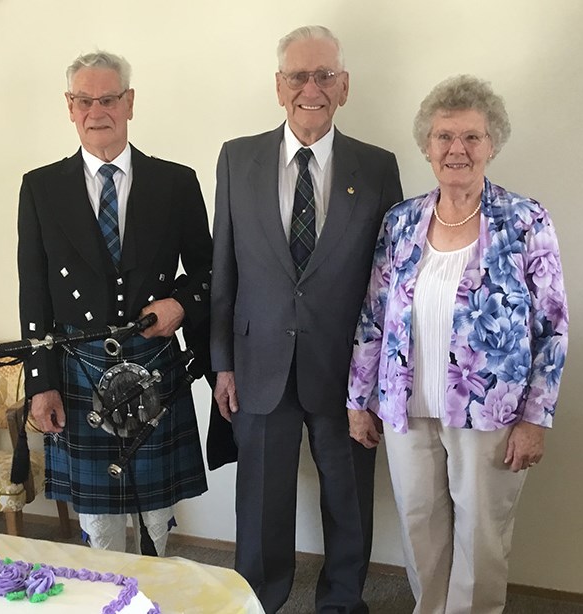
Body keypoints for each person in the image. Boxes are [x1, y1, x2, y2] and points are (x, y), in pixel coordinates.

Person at [347, 74, 569, 613]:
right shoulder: (400, 222)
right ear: (427, 146)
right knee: (419, 529)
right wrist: (358, 399)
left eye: (472, 137)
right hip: (406, 407)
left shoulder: (524, 219)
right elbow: (374, 313)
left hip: (491, 411)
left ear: (492, 144)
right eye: (445, 136)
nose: (457, 149)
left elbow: (553, 324)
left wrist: (536, 417)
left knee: (482, 535)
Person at [210, 25, 403, 614]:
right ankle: (257, 602)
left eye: (324, 76)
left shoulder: (376, 167)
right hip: (258, 362)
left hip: (345, 372)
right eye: (298, 75)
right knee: (261, 504)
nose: (310, 88)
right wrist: (221, 364)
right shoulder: (236, 158)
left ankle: (342, 603)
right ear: (279, 86)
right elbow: (224, 271)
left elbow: (389, 283)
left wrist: (377, 377)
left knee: (347, 500)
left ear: (344, 86)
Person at [17, 51, 211, 557]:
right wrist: (42, 384)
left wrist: (182, 305)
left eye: (108, 99)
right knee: (98, 523)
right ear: (70, 106)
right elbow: (34, 292)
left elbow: (212, 272)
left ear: (129, 103)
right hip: (78, 366)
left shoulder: (175, 182)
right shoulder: (41, 187)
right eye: (85, 100)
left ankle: (153, 594)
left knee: (155, 513)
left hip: (153, 363)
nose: (96, 110)